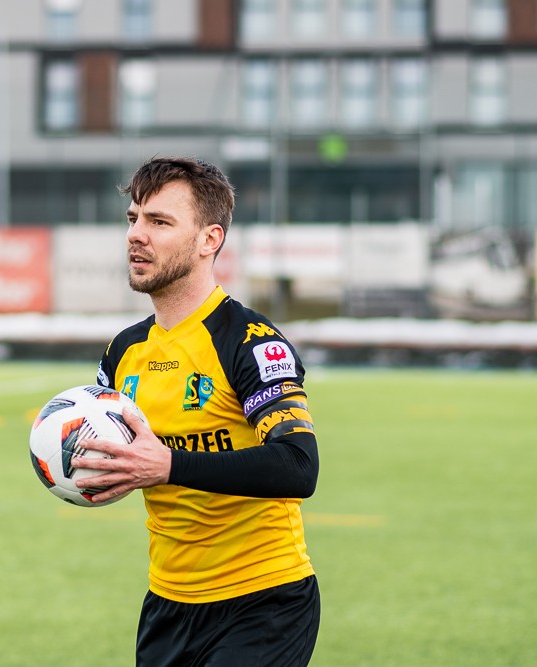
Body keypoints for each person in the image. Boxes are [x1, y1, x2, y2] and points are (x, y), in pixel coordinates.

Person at [78, 157, 320, 666]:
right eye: (133, 219)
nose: (136, 234)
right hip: (167, 606)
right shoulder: (122, 352)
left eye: (159, 222)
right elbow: (113, 452)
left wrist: (167, 465)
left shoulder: (250, 342)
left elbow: (299, 466)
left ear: (210, 239)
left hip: (264, 601)